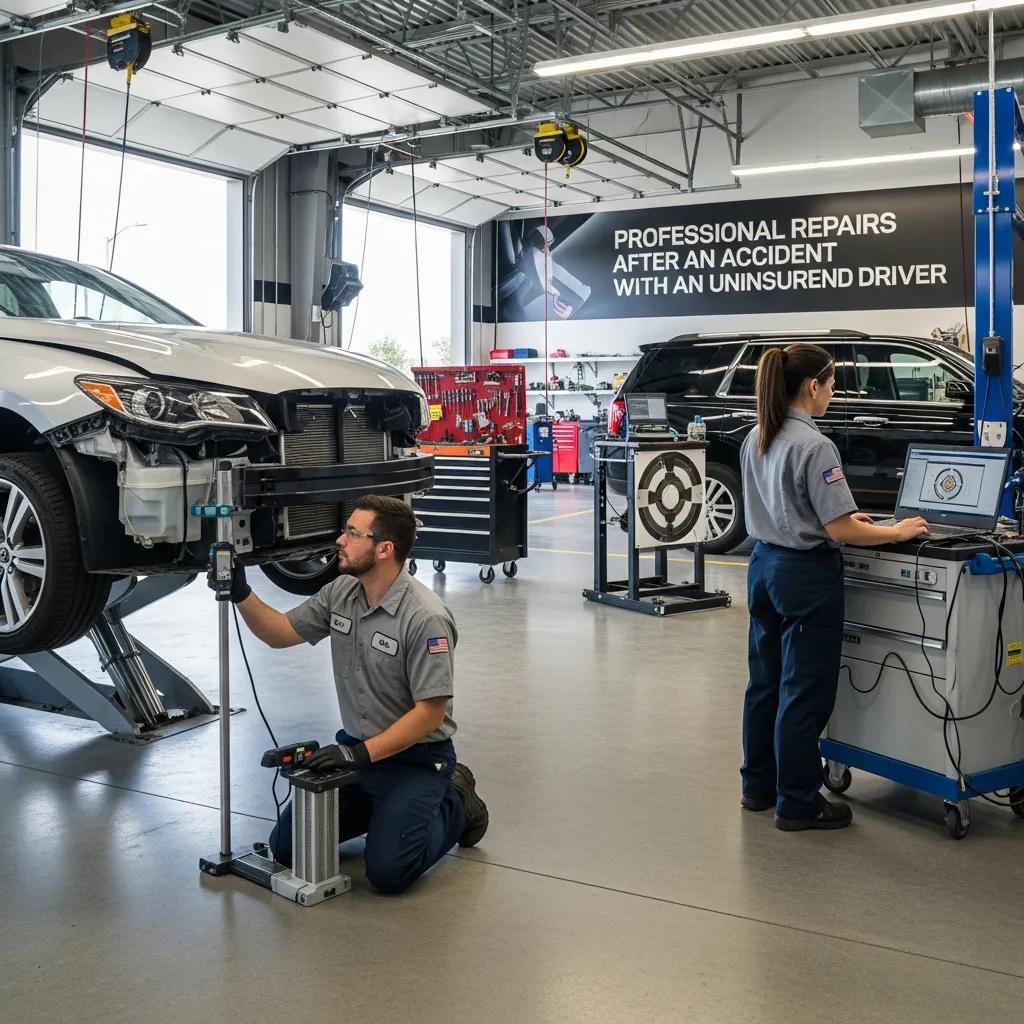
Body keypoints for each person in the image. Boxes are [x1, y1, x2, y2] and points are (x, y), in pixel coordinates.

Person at [229, 494, 488, 894]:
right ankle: (385, 814)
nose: (340, 540)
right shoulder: (341, 593)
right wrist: (240, 590)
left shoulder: (425, 618)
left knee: (388, 876)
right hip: (359, 753)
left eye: (353, 533)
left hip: (415, 761)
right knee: (286, 849)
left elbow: (430, 715)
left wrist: (358, 755)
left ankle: (456, 798)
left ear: (384, 549)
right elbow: (280, 633)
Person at [739, 344, 928, 832]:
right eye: (832, 382)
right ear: (812, 387)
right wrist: (895, 531)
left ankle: (757, 787)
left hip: (762, 567)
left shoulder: (757, 433)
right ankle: (798, 802)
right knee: (803, 690)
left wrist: (836, 520)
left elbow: (803, 511)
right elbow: (843, 530)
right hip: (804, 576)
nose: (834, 391)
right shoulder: (815, 445)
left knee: (764, 683)